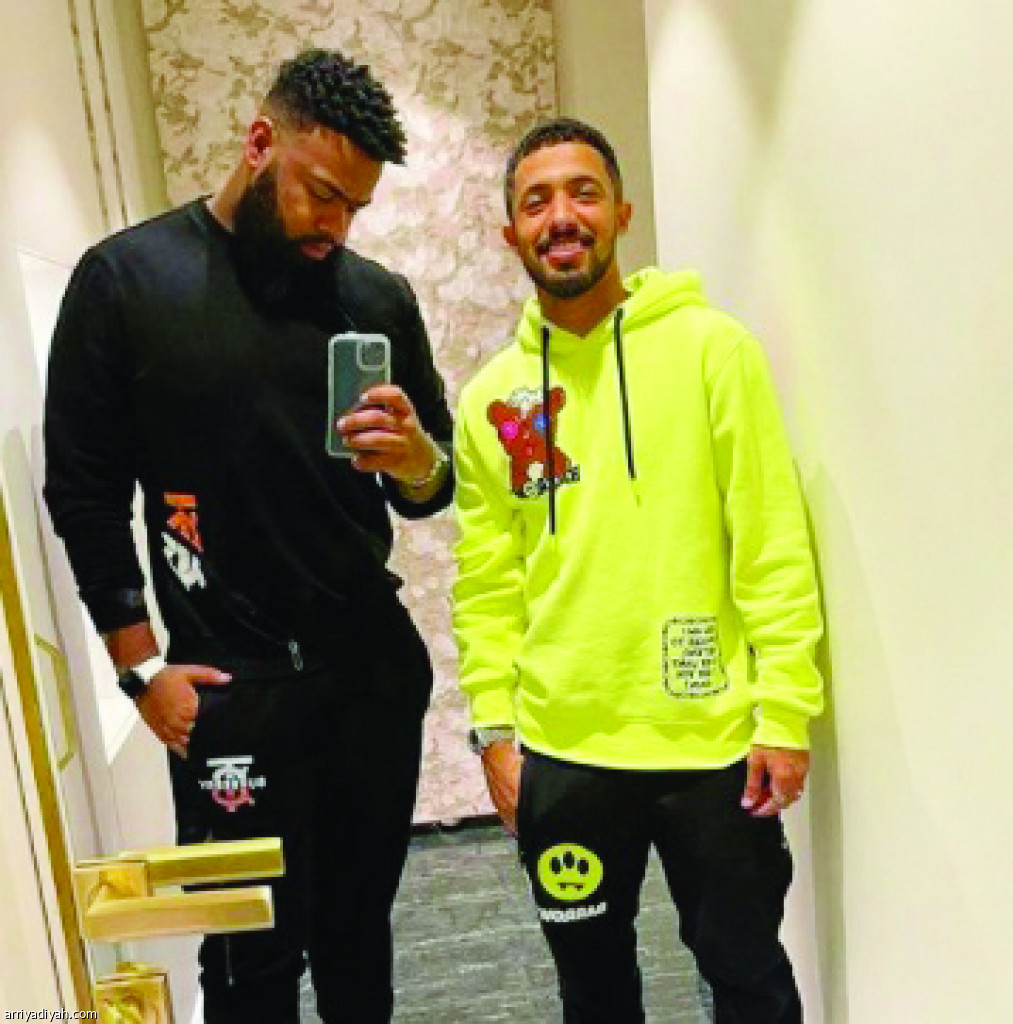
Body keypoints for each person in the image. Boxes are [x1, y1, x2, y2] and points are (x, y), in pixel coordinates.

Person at [44, 49, 452, 1024]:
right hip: (229, 692)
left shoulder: (375, 299)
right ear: (259, 142)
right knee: (246, 965)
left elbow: (432, 488)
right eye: (322, 195)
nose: (335, 227)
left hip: (369, 677)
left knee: (358, 940)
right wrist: (141, 669)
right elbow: (84, 492)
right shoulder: (127, 282)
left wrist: (413, 460)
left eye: (355, 207)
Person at [452, 117, 823, 1023]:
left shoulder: (712, 351)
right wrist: (495, 733)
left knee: (747, 978)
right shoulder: (491, 397)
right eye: (536, 202)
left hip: (712, 745)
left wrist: (783, 712)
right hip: (563, 750)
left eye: (582, 193)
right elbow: (486, 583)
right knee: (593, 993)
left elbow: (769, 541)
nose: (560, 217)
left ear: (620, 213)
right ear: (510, 233)